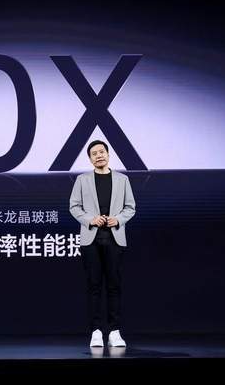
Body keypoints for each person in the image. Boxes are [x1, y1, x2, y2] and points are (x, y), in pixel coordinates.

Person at [69, 140, 136, 347]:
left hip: (115, 238)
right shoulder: (82, 180)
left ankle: (115, 331)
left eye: (101, 152)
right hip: (91, 239)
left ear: (108, 154)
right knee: (94, 286)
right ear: (90, 159)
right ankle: (96, 331)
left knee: (114, 285)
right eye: (94, 153)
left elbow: (130, 207)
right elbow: (74, 206)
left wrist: (118, 219)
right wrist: (91, 219)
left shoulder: (123, 179)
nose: (99, 155)